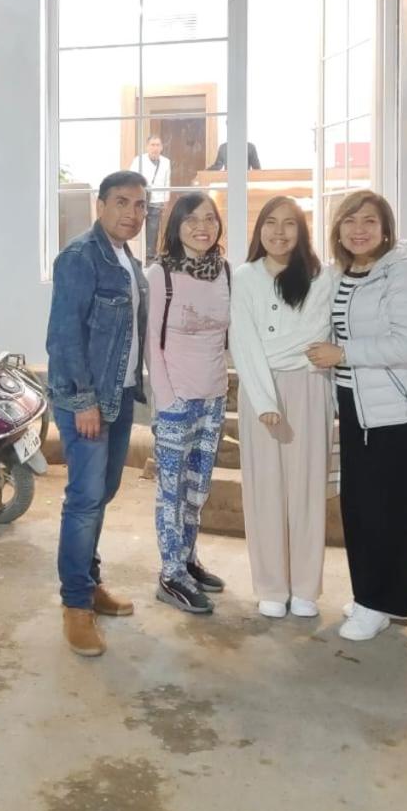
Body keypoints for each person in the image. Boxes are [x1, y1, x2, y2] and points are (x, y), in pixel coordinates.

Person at [307, 191, 407, 641]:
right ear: (337, 229)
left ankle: (380, 603)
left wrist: (343, 354)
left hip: (395, 412)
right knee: (360, 506)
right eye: (350, 221)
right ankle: (374, 596)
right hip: (355, 405)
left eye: (369, 221)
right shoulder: (340, 274)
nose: (359, 230)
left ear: (385, 228)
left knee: (389, 511)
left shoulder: (403, 271)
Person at [47, 170, 149, 657]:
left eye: (140, 205)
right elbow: (63, 336)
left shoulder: (128, 260)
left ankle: (88, 584)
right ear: (101, 206)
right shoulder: (80, 257)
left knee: (103, 494)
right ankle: (75, 605)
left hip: (120, 394)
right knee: (85, 499)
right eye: (122, 202)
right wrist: (83, 399)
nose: (132, 213)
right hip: (86, 399)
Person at [229, 196, 334, 619]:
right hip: (260, 388)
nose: (279, 232)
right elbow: (243, 341)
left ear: (302, 231)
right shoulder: (245, 277)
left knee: (308, 488)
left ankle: (306, 586)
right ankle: (271, 585)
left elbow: (319, 334)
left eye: (289, 223)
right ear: (259, 230)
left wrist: (293, 354)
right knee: (264, 490)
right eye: (270, 223)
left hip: (310, 386)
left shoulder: (323, 276)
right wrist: (264, 398)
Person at [146, 192, 230, 615]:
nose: (202, 227)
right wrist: (167, 399)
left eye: (210, 218)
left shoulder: (224, 272)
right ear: (176, 226)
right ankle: (171, 574)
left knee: (197, 489)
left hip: (214, 397)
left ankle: (188, 558)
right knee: (171, 491)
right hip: (176, 399)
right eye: (192, 219)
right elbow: (151, 342)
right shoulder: (160, 273)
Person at [131, 135, 171, 260]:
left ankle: (149, 256)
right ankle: (136, 255)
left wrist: (166, 199)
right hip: (141, 199)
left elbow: (167, 181)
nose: (155, 148)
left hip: (157, 199)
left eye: (157, 145)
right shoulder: (139, 160)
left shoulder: (166, 162)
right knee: (137, 226)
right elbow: (131, 178)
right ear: (147, 147)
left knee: (153, 229)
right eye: (152, 145)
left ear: (161, 147)